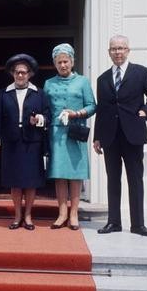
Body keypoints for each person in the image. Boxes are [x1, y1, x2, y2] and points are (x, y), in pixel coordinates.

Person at [93, 35, 147, 237]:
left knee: (135, 179)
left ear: (128, 50)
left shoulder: (141, 73)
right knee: (113, 179)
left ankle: (138, 224)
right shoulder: (102, 78)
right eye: (114, 49)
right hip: (110, 137)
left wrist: (145, 111)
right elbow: (102, 109)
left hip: (133, 135)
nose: (118, 52)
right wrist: (97, 137)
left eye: (121, 48)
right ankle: (113, 222)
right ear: (109, 52)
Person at [0, 54, 50, 230]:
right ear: (12, 74)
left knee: (30, 182)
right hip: (11, 144)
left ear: (30, 74)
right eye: (17, 72)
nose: (20, 76)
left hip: (33, 143)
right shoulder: (4, 93)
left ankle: (29, 216)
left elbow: (48, 117)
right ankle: (17, 216)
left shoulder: (39, 94)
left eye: (24, 72)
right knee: (15, 182)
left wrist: (38, 119)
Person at [43, 43, 96, 230]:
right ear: (54, 63)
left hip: (75, 131)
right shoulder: (49, 83)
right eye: (59, 62)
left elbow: (92, 106)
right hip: (57, 133)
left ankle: (73, 214)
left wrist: (77, 113)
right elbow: (46, 109)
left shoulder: (82, 82)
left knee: (75, 174)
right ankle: (61, 213)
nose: (63, 65)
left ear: (72, 61)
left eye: (66, 61)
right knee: (59, 174)